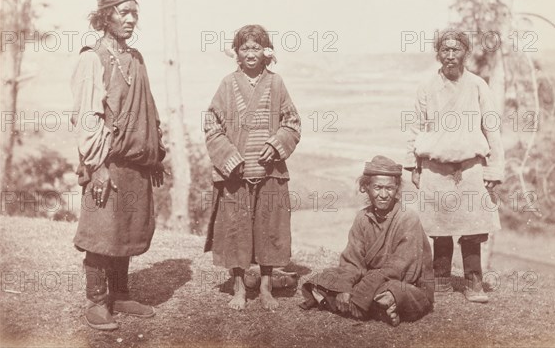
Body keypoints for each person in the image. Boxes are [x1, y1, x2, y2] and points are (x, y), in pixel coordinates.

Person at [70, 0, 166, 330]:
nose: (129, 19)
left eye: (134, 14)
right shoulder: (91, 59)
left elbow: (148, 110)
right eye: (123, 12)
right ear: (105, 16)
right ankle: (96, 302)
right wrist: (96, 168)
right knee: (102, 231)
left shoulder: (136, 58)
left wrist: (155, 155)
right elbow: (86, 117)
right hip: (106, 163)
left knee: (127, 229)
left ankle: (121, 294)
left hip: (136, 162)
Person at [203, 25, 301, 311]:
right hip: (236, 175)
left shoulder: (277, 83)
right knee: (235, 232)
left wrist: (278, 142)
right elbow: (211, 124)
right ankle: (238, 288)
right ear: (236, 52)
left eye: (255, 47)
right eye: (244, 48)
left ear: (266, 52)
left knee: (269, 229)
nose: (250, 53)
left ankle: (267, 287)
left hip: (269, 172)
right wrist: (229, 157)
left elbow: (292, 121)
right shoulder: (226, 84)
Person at [405, 28, 504, 303]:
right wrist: (412, 166)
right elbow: (414, 127)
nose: (450, 55)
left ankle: (474, 282)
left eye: (455, 50)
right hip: (435, 166)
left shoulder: (477, 86)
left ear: (465, 53)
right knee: (440, 226)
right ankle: (441, 279)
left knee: (473, 225)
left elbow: (492, 128)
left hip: (471, 166)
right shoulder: (426, 87)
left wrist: (494, 170)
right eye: (445, 50)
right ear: (438, 54)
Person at [300, 156, 434, 326]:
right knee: (323, 279)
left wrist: (362, 291)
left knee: (394, 292)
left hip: (403, 281)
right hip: (372, 280)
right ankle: (380, 308)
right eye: (378, 187)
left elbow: (400, 268)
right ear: (366, 187)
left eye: (390, 188)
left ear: (397, 189)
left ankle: (378, 303)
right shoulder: (362, 218)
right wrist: (344, 288)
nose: (384, 195)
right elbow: (352, 262)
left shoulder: (408, 218)